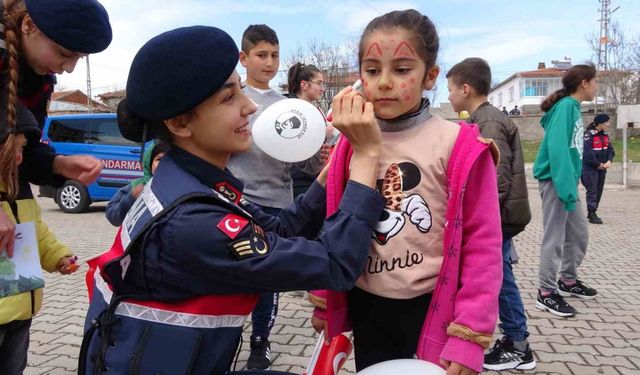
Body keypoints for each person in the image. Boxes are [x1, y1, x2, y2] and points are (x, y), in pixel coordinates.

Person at [79, 25, 384, 375]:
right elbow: (333, 264)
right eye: (229, 98)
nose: (250, 106)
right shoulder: (193, 221)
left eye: (240, 90)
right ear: (180, 124)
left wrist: (331, 171)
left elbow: (281, 228)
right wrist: (366, 156)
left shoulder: (185, 183)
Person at [308, 9, 502, 374]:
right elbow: (332, 218)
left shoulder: (459, 145)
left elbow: (484, 245)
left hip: (433, 309)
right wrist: (325, 298)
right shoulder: (353, 142)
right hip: (368, 305)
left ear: (429, 77)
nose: (383, 82)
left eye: (401, 69)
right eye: (371, 69)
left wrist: (469, 334)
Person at [226, 24, 329, 370]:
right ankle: (223, 338)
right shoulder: (231, 100)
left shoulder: (288, 107)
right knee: (232, 275)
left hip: (278, 204)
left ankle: (260, 343)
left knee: (268, 279)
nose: (269, 63)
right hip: (237, 201)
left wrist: (319, 156)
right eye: (262, 55)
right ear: (244, 58)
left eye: (275, 56)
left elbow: (304, 158)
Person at [0, 0, 112, 256]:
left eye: (78, 58)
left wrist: (57, 164)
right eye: (64, 53)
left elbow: (22, 156)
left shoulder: (40, 83)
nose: (69, 68)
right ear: (29, 26)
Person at [447, 57, 535, 371]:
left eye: (451, 90)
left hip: (497, 218)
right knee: (501, 275)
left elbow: (494, 178)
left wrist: (481, 221)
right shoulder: (486, 118)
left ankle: (518, 344)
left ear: (466, 89)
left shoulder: (488, 122)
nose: (449, 97)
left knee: (499, 280)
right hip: (502, 216)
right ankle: (515, 338)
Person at [0, 103, 79, 375]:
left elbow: (36, 230)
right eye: (13, 149)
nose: (21, 158)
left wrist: (58, 256)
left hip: (21, 308)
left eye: (23, 149)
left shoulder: (17, 186)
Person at [533, 63, 599, 318]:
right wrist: (566, 187)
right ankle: (546, 293)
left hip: (568, 182)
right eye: (595, 82)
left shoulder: (572, 107)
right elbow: (558, 148)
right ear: (584, 82)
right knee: (555, 237)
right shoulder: (565, 108)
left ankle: (568, 280)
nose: (596, 88)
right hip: (556, 182)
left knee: (579, 234)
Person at [287, 62, 330, 198]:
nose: (322, 89)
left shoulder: (315, 110)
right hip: (296, 183)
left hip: (314, 178)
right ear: (304, 85)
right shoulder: (289, 110)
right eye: (319, 83)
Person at [105, 141, 170, 226]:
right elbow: (113, 218)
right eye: (159, 159)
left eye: (167, 161)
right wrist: (131, 198)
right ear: (149, 163)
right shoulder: (136, 187)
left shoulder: (180, 188)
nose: (162, 165)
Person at [582, 113, 614, 224]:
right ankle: (592, 213)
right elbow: (587, 153)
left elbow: (610, 150)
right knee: (592, 190)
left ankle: (593, 210)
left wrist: (609, 161)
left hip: (602, 168)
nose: (609, 124)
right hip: (590, 168)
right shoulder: (588, 135)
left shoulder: (605, 135)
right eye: (607, 122)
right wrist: (598, 164)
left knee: (598, 190)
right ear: (600, 123)